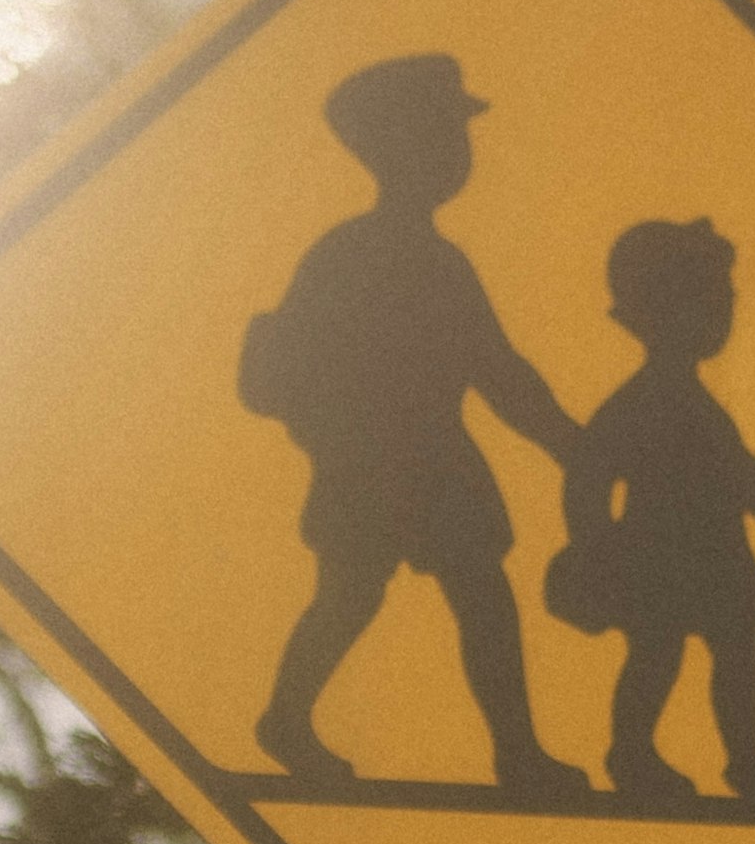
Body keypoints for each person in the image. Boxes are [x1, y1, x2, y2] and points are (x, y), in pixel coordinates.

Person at [242, 51, 586, 798]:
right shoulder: (348, 254)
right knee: (352, 593)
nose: (456, 155)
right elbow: (311, 363)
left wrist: (570, 445)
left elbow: (498, 370)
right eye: (441, 137)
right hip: (368, 464)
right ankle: (286, 718)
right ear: (397, 150)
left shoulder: (439, 259)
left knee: (480, 593)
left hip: (437, 458)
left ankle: (518, 752)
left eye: (456, 139)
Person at [544, 215, 755, 810]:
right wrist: (595, 548)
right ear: (665, 310)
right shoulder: (648, 401)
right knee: (660, 651)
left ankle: (745, 760)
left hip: (713, 556)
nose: (726, 309)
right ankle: (634, 752)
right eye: (713, 298)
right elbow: (590, 474)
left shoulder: (692, 403)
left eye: (725, 297)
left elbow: (747, 483)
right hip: (661, 556)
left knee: (735, 648)